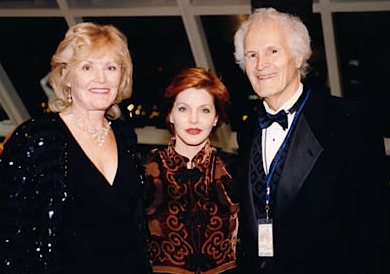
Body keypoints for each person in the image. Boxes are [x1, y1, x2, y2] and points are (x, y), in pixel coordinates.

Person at [229, 7, 388, 274]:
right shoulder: (247, 130)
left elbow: (375, 229)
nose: (260, 65)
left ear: (299, 56)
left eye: (272, 51)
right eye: (252, 55)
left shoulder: (350, 122)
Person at [0, 22, 150, 273]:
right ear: (66, 76)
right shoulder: (35, 138)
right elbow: (8, 236)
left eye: (111, 68)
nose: (101, 78)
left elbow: (135, 230)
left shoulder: (125, 137)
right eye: (87, 67)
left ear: (122, 77)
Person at [143, 67, 239, 274]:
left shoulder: (234, 169)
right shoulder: (144, 169)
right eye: (183, 109)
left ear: (215, 118)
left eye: (204, 110)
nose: (193, 119)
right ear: (170, 115)